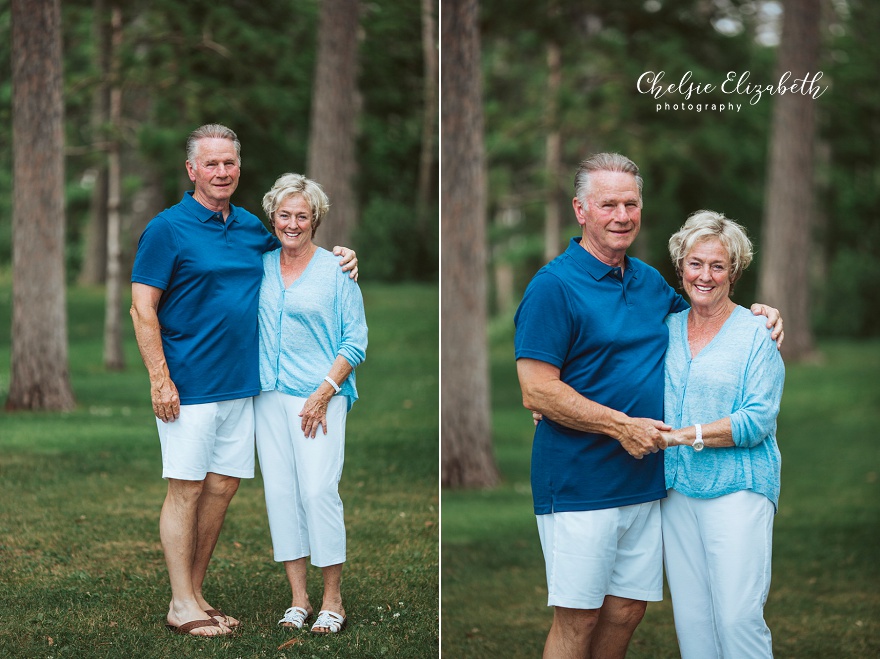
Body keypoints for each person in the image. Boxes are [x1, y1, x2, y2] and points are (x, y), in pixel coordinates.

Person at [514, 153, 783, 659]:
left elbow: (710, 319)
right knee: (579, 616)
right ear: (581, 209)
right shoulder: (553, 286)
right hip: (579, 480)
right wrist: (620, 426)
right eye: (608, 204)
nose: (621, 215)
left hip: (645, 483)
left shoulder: (648, 281)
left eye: (631, 203)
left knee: (626, 611)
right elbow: (536, 390)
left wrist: (760, 315)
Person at [130, 124, 358, 637]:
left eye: (229, 163)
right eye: (210, 163)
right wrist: (159, 379)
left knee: (222, 487)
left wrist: (344, 257)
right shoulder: (167, 229)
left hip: (243, 388)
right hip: (187, 385)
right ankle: (180, 604)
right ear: (192, 170)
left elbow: (295, 245)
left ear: (239, 168)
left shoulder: (253, 227)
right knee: (185, 489)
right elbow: (142, 308)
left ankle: (195, 593)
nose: (221, 171)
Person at [659, 211, 784, 658]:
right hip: (677, 491)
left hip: (739, 489)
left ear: (734, 271)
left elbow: (756, 420)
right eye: (695, 263)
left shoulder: (757, 333)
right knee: (693, 624)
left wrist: (685, 434)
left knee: (737, 619)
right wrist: (555, 403)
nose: (705, 276)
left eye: (718, 265)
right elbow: (619, 370)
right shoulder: (667, 328)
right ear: (681, 267)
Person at [254, 173, 367, 636]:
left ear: (316, 219)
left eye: (303, 215)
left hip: (320, 395)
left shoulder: (337, 270)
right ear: (272, 217)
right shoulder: (258, 265)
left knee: (319, 491)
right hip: (267, 396)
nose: (293, 224)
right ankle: (299, 600)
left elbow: (355, 340)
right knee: (281, 494)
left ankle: (333, 600)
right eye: (285, 215)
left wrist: (323, 392)